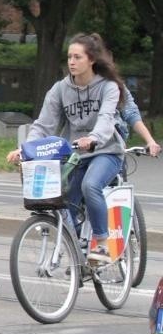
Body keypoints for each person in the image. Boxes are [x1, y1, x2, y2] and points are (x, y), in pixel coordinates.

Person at [7, 33, 125, 264]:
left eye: (77, 57)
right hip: (76, 155)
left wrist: (93, 137)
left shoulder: (108, 87)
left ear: (91, 60)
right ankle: (77, 249)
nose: (71, 61)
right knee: (65, 200)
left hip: (106, 152)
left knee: (90, 185)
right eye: (69, 56)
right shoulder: (60, 89)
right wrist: (25, 149)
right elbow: (44, 124)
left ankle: (101, 245)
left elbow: (106, 118)